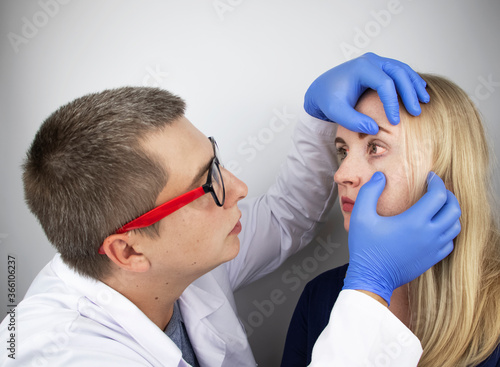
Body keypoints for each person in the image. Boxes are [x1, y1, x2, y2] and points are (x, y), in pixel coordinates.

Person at [0, 54, 461, 367]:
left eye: (215, 160)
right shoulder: (60, 353)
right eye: (207, 186)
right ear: (127, 250)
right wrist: (369, 288)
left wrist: (316, 110)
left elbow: (286, 215)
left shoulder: (178, 260)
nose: (238, 187)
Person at [281, 74, 500, 367]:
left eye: (375, 147)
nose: (342, 174)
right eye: (343, 151)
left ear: (446, 169)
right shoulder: (319, 297)